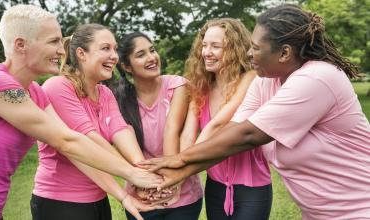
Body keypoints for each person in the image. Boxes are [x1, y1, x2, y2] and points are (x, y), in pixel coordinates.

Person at [139, 4, 370, 219]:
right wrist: (180, 173)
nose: (249, 54)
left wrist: (179, 159)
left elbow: (248, 135)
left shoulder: (317, 77)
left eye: (256, 48)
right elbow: (232, 132)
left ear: (284, 53)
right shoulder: (265, 82)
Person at [0, 5, 161, 220]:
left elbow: (72, 146)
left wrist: (125, 192)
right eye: (53, 42)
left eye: (60, 41)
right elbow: (66, 140)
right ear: (21, 45)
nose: (61, 50)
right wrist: (132, 174)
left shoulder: (35, 93)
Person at [30, 24, 162, 220]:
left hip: (98, 198)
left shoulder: (105, 93)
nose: (114, 56)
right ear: (82, 54)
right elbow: (88, 140)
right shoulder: (57, 87)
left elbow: (120, 131)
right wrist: (134, 177)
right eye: (105, 48)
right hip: (61, 202)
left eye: (115, 49)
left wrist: (143, 170)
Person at [181, 18, 271, 219]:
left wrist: (179, 167)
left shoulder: (250, 79)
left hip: (252, 188)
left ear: (235, 49)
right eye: (204, 45)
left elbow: (218, 124)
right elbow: (188, 134)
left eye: (215, 46)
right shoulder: (201, 88)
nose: (206, 52)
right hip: (215, 186)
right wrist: (178, 169)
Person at [112, 32, 203, 220]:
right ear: (126, 66)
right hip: (142, 196)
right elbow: (124, 148)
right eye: (141, 54)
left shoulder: (177, 85)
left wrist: (171, 182)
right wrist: (149, 185)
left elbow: (172, 129)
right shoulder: (120, 99)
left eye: (152, 50)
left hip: (183, 195)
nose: (152, 57)